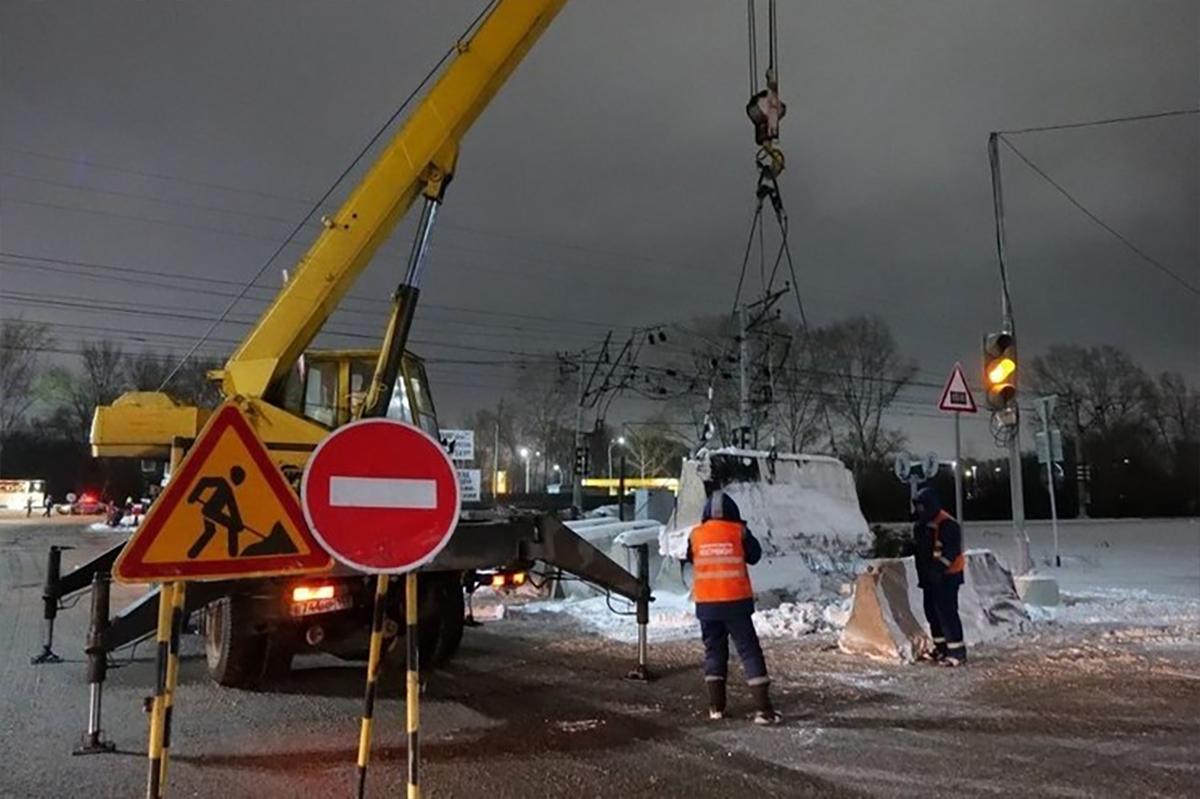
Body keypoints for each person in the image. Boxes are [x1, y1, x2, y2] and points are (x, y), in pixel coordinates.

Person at [688, 490, 781, 725]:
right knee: (749, 651)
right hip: (736, 604)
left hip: (707, 605)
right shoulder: (739, 532)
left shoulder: (695, 535)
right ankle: (763, 710)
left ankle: (716, 707)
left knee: (714, 652)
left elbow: (690, 558)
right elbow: (755, 555)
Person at [913, 486, 966, 666]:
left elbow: (952, 551)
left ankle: (957, 652)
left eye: (923, 507)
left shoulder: (947, 524)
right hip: (929, 577)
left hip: (948, 577)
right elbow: (921, 549)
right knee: (932, 613)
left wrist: (938, 568)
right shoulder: (922, 524)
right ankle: (941, 648)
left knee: (947, 613)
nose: (920, 511)